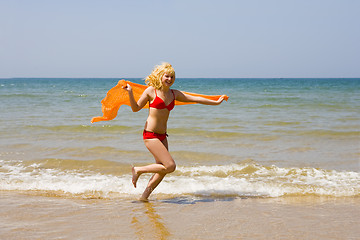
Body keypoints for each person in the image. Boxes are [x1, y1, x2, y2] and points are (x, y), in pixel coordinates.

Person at [123, 62, 226, 201]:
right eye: (167, 76)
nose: (170, 79)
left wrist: (216, 102)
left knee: (162, 170)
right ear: (160, 76)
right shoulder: (150, 91)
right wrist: (130, 92)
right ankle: (138, 170)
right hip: (150, 135)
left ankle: (144, 198)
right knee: (170, 166)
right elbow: (135, 108)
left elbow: (195, 98)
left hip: (162, 136)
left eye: (172, 77)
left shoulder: (174, 94)